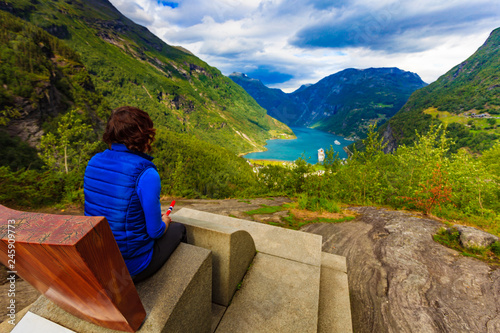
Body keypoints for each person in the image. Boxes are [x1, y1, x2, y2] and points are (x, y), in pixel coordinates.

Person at [84, 106, 186, 283]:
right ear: (144, 136)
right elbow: (155, 231)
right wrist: (165, 222)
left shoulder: (94, 162)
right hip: (130, 265)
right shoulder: (146, 174)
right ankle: (175, 288)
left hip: (98, 257)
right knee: (179, 230)